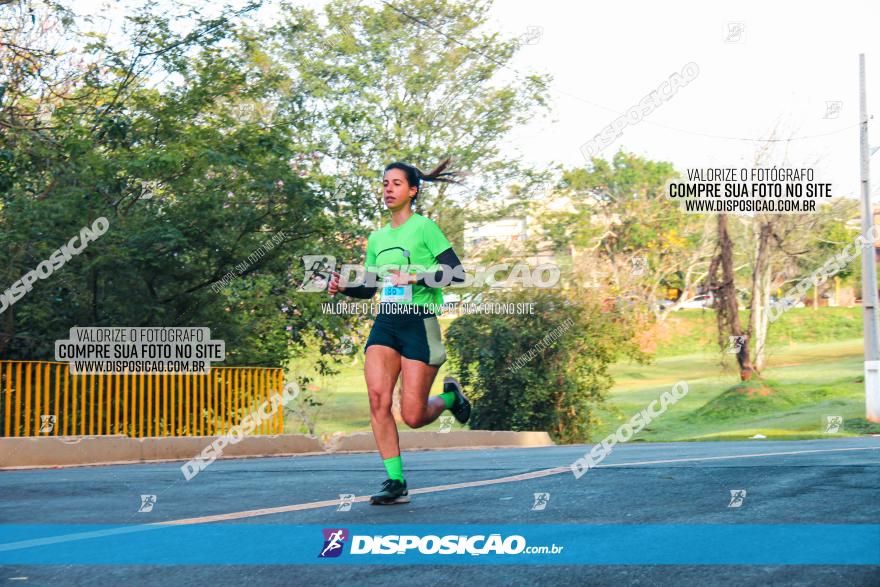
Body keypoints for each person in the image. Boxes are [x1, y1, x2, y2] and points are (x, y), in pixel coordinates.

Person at [327, 157, 471, 505]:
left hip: (419, 321)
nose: (388, 189)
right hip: (387, 321)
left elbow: (457, 273)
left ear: (412, 190)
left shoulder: (425, 228)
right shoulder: (377, 238)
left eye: (396, 183)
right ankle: (395, 481)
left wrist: (417, 275)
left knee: (413, 416)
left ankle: (451, 398)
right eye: (385, 183)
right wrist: (345, 287)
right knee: (378, 399)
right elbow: (372, 286)